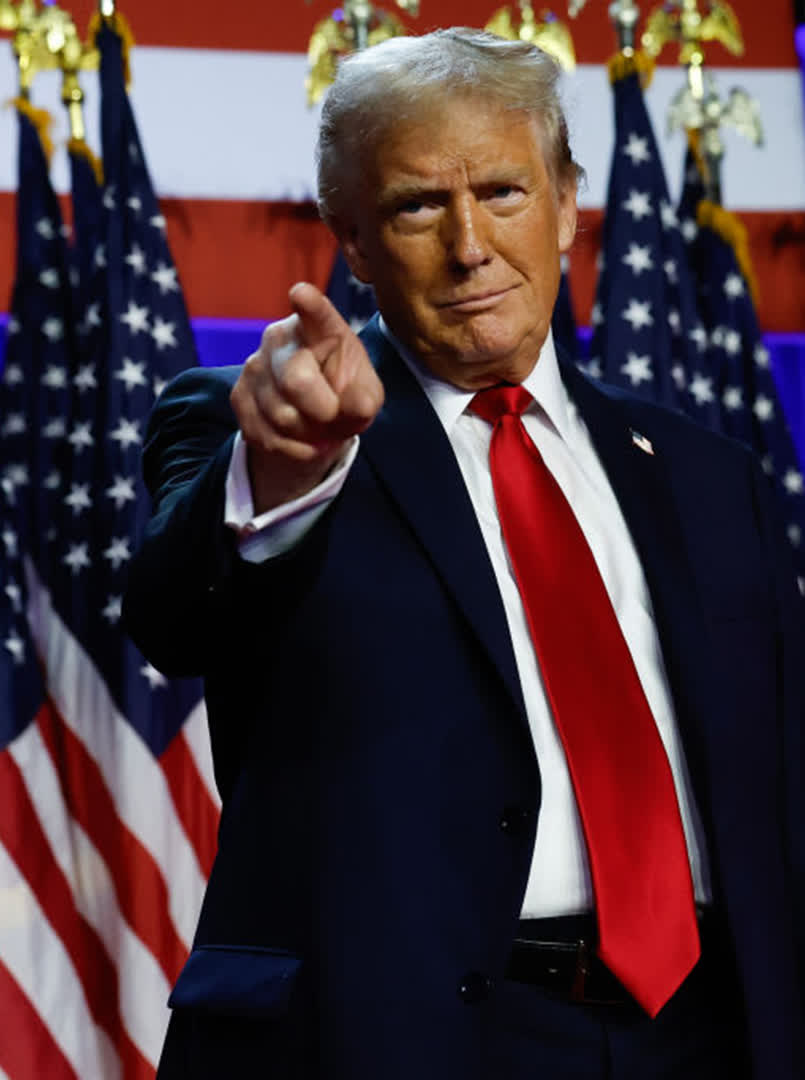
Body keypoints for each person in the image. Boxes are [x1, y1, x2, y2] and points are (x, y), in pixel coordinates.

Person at [123, 27, 804, 1080]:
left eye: (501, 191)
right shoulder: (262, 432)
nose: (470, 243)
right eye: (415, 206)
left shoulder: (710, 474)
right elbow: (173, 619)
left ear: (568, 202)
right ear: (350, 240)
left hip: (705, 1035)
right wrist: (287, 473)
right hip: (395, 1041)